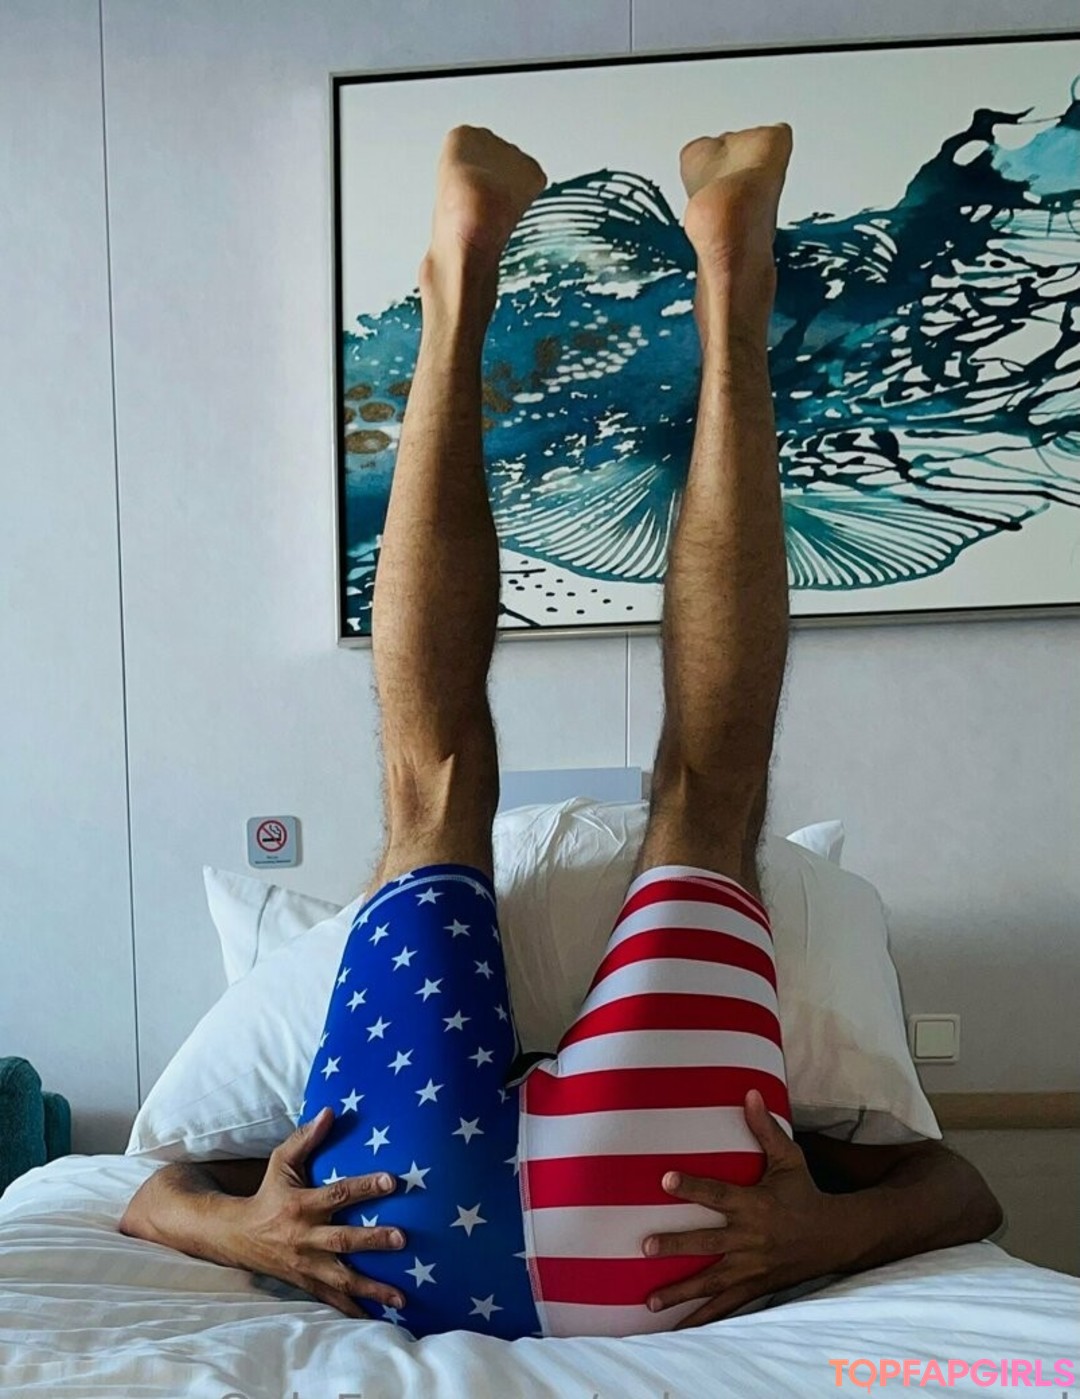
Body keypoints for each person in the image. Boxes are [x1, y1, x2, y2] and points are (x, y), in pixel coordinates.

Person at [120, 123, 1002, 1341]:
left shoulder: (251, 1143)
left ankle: (519, 286)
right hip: (661, 1224)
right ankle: (643, 293)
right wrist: (827, 1234)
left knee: (516, 790)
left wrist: (244, 1231)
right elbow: (964, 1190)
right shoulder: (829, 1147)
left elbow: (149, 1192)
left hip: (398, 1230)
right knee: (620, 791)